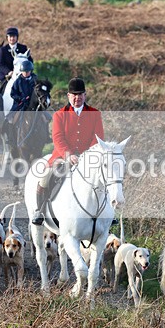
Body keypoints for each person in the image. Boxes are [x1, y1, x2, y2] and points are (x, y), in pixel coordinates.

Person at [31, 77, 104, 225]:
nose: (77, 98)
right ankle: (40, 209)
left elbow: (98, 138)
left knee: (104, 177)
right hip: (62, 156)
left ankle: (106, 212)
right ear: (68, 96)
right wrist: (69, 155)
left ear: (85, 95)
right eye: (74, 95)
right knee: (45, 177)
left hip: (88, 157)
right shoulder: (59, 114)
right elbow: (57, 138)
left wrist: (86, 156)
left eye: (80, 94)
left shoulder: (95, 114)